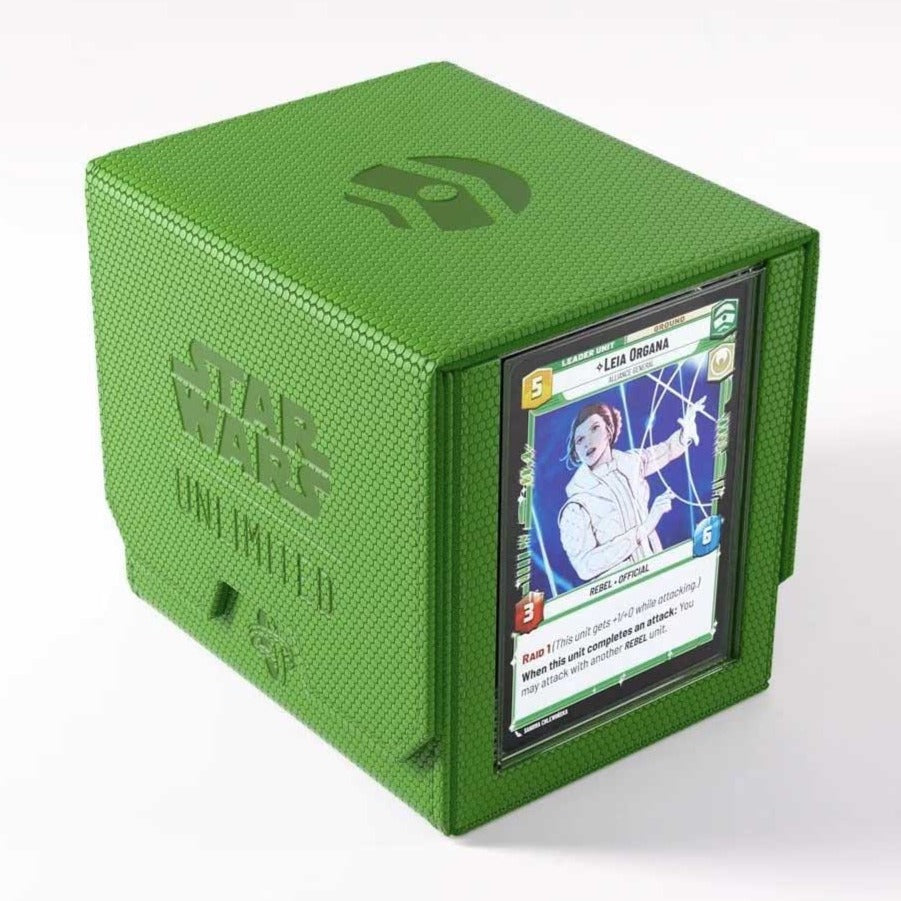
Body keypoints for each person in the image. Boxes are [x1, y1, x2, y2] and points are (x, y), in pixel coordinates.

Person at [557, 397, 705, 581]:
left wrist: (685, 434)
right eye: (579, 439)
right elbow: (584, 567)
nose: (587, 442)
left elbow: (666, 450)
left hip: (659, 575)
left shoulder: (631, 463)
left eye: (594, 428)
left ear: (609, 430)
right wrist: (644, 528)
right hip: (620, 591)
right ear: (576, 451)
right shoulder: (576, 505)